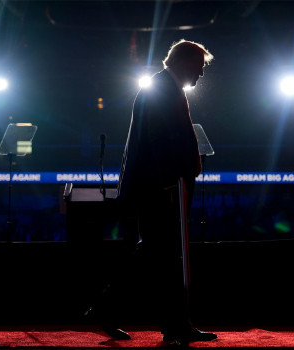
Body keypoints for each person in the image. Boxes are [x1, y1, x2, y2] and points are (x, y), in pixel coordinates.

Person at [85, 40, 216, 343]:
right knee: (161, 255)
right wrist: (171, 182)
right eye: (199, 67)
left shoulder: (164, 87)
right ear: (184, 62)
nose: (201, 75)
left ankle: (168, 324)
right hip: (160, 188)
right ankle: (159, 321)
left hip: (158, 186)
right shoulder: (162, 89)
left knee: (161, 256)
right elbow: (159, 140)